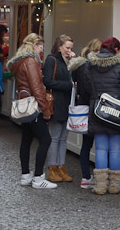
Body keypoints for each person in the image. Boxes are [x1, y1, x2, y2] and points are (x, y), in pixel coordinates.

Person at [86, 37, 120, 195]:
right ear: (115, 49)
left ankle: (100, 186)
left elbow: (87, 86)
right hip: (116, 111)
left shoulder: (91, 64)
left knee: (101, 148)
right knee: (115, 150)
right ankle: (115, 186)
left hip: (98, 110)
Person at [6, 33, 56, 189]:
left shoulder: (20, 61)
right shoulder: (30, 61)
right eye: (41, 47)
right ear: (34, 46)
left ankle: (25, 175)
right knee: (45, 139)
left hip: (24, 104)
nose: (41, 51)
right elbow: (36, 87)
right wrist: (45, 109)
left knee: (26, 140)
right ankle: (38, 177)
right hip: (33, 105)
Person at [68, 38, 102, 188]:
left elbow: (77, 84)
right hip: (93, 108)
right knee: (98, 143)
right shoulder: (91, 66)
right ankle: (91, 178)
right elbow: (90, 89)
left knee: (86, 145)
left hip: (83, 106)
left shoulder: (79, 65)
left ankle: (85, 176)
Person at [42, 34, 75, 183]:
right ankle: (52, 168)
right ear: (59, 46)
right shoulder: (51, 60)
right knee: (55, 137)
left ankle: (62, 167)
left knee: (63, 138)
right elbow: (48, 81)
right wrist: (68, 86)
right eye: (67, 47)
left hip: (67, 102)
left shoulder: (68, 61)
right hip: (56, 102)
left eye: (71, 48)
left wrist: (73, 61)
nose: (69, 50)